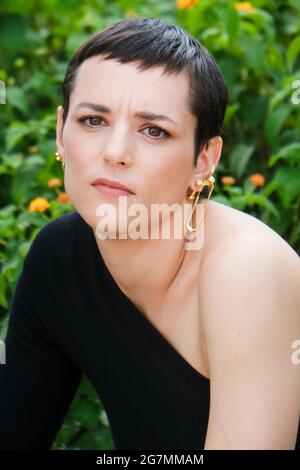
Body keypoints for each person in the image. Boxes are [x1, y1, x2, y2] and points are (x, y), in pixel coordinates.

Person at [0, 16, 299, 450]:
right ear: (60, 133)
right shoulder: (59, 258)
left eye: (154, 131)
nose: (116, 152)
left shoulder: (247, 270)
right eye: (93, 121)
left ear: (204, 159)